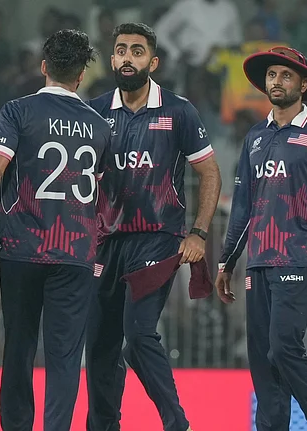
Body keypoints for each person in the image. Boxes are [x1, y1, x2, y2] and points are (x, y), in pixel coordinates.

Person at [0, 29, 111, 431]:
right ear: (81, 75)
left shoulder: (18, 111)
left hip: (22, 250)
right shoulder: (101, 126)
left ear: (43, 68)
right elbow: (103, 198)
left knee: (18, 347)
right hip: (74, 254)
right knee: (65, 356)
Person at [86, 23, 221, 431]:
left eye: (138, 51)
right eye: (121, 50)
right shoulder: (92, 111)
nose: (128, 57)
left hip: (157, 239)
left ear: (153, 61)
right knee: (101, 346)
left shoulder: (179, 111)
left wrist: (197, 233)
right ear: (112, 60)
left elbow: (210, 174)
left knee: (139, 337)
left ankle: (176, 422)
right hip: (104, 242)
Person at [216, 46, 307, 431]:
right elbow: (243, 205)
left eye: (286, 75)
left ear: (303, 83)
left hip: (301, 255)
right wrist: (227, 260)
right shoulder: (255, 137)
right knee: (263, 361)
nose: (277, 81)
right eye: (272, 75)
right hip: (258, 259)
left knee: (283, 346)